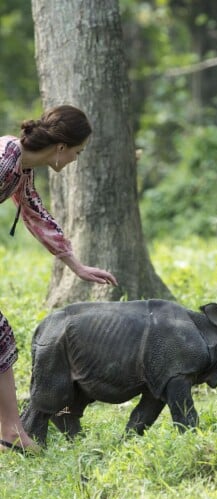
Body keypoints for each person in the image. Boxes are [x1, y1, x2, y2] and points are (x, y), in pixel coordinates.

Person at [0, 105, 118, 453]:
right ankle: (10, 430)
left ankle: (10, 430)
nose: (75, 160)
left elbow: (35, 214)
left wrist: (77, 266)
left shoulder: (19, 168)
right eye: (78, 153)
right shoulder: (6, 161)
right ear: (62, 148)